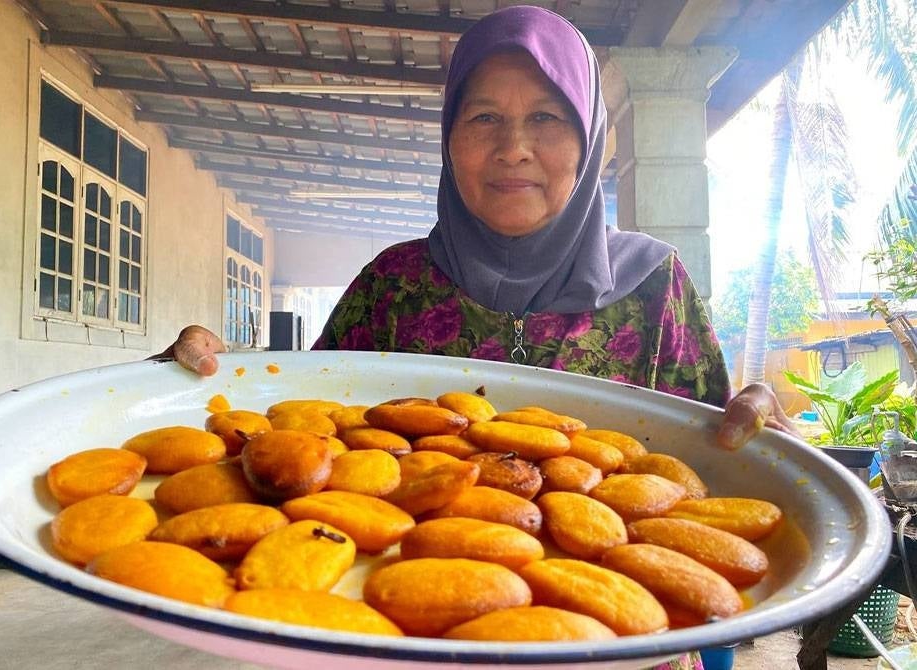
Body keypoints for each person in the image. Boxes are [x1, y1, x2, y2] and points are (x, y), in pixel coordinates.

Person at [158, 6, 797, 667]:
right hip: (408, 634)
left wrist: (769, 446)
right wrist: (203, 379)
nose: (513, 147)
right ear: (449, 140)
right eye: (484, 117)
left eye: (547, 117)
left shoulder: (654, 286)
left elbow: (711, 478)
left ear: (590, 137)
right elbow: (304, 448)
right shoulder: (395, 283)